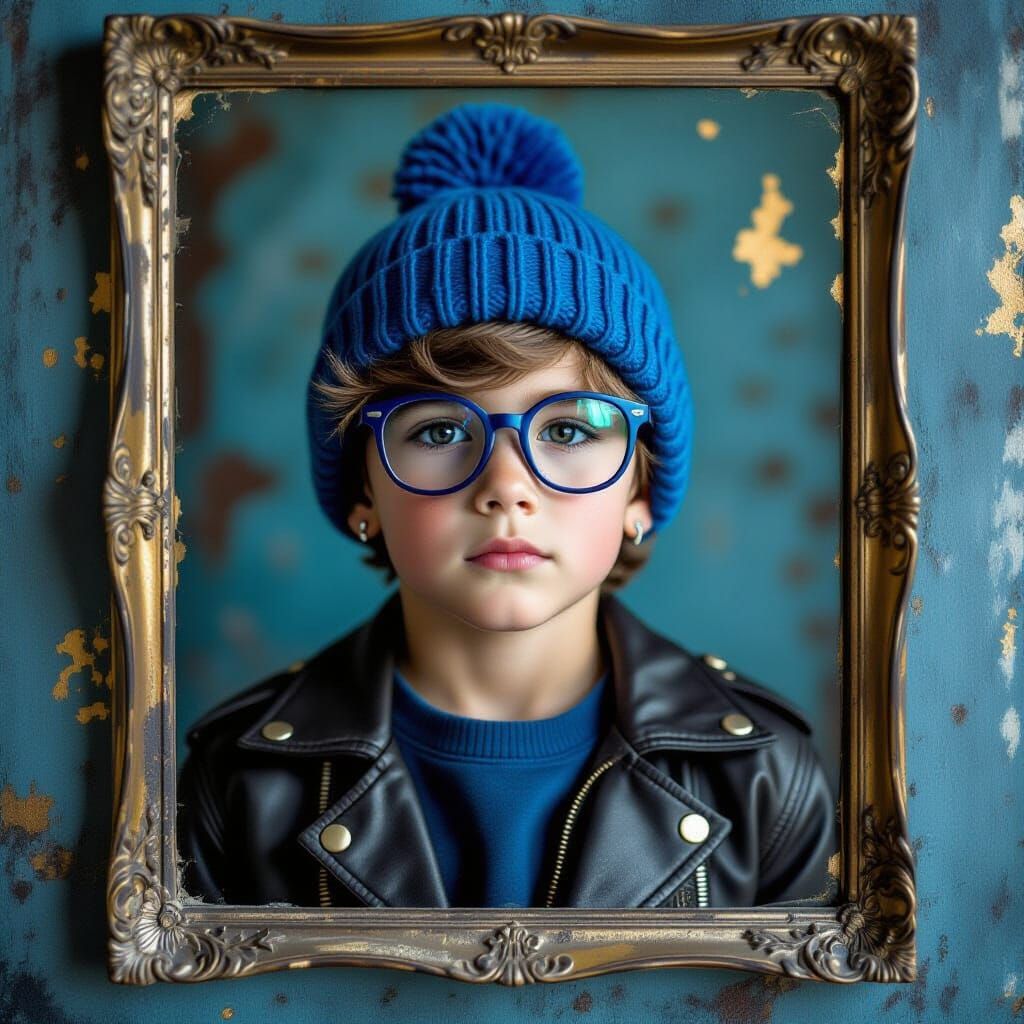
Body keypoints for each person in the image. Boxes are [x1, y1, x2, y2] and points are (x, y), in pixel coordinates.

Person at [177, 102, 837, 910]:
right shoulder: (239, 780)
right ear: (363, 492)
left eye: (570, 429)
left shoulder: (766, 778)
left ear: (639, 489)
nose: (507, 485)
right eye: (438, 430)